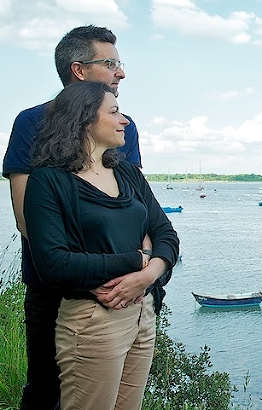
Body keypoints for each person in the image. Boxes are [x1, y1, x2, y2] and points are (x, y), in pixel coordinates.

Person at [2, 25, 142, 410]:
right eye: (110, 63)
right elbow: (26, 217)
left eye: (120, 63)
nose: (121, 72)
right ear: (79, 70)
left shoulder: (123, 128)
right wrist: (88, 275)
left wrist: (141, 278)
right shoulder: (32, 122)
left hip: (128, 293)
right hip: (58, 290)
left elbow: (139, 210)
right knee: (48, 391)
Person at [23, 81, 179, 410]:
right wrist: (137, 261)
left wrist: (148, 275)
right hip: (93, 321)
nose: (124, 120)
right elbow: (53, 264)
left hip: (143, 314)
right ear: (83, 119)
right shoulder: (48, 181)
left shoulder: (127, 173)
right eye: (114, 111)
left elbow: (166, 233)